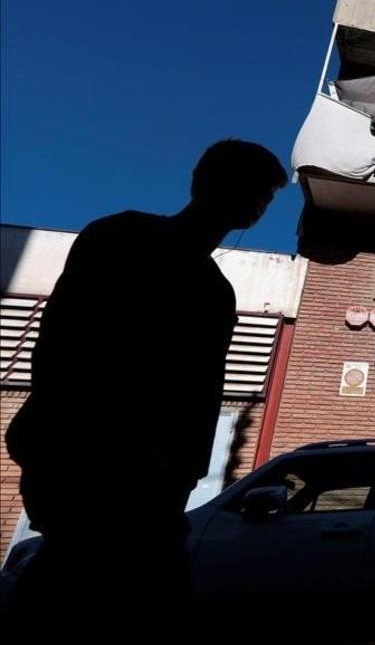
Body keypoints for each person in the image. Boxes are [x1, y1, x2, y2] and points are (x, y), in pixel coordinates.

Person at [4, 140, 287, 639]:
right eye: (254, 189)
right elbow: (65, 343)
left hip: (155, 486)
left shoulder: (216, 290)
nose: (260, 203)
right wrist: (126, 447)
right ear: (205, 182)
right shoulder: (123, 238)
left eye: (266, 196)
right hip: (92, 465)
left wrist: (180, 471)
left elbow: (200, 389)